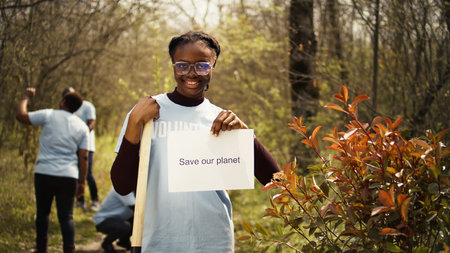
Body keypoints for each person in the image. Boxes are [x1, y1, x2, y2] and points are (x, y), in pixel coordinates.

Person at [110, 31, 280, 252]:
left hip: (213, 240)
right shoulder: (146, 113)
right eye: (182, 65)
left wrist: (245, 135)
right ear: (172, 66)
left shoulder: (221, 119)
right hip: (159, 239)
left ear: (213, 66)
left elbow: (276, 180)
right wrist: (133, 124)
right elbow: (122, 187)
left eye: (202, 65)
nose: (191, 73)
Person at [16, 88, 89, 253]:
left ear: (63, 102)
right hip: (68, 175)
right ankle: (69, 249)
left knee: (43, 213)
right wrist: (82, 182)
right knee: (67, 217)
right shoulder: (82, 127)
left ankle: (41, 249)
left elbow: (21, 116)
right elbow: (83, 157)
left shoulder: (48, 115)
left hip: (44, 172)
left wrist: (25, 97)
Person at [62, 87, 99, 211]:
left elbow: (91, 124)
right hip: (73, 146)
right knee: (76, 174)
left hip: (87, 145)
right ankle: (80, 200)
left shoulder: (87, 106)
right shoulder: (66, 109)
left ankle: (95, 200)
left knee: (87, 174)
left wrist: (81, 134)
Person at [93, 188, 135, 253]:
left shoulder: (132, 190)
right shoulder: (123, 189)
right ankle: (106, 243)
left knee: (134, 221)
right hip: (103, 220)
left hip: (117, 219)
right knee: (126, 226)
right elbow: (135, 208)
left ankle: (124, 241)